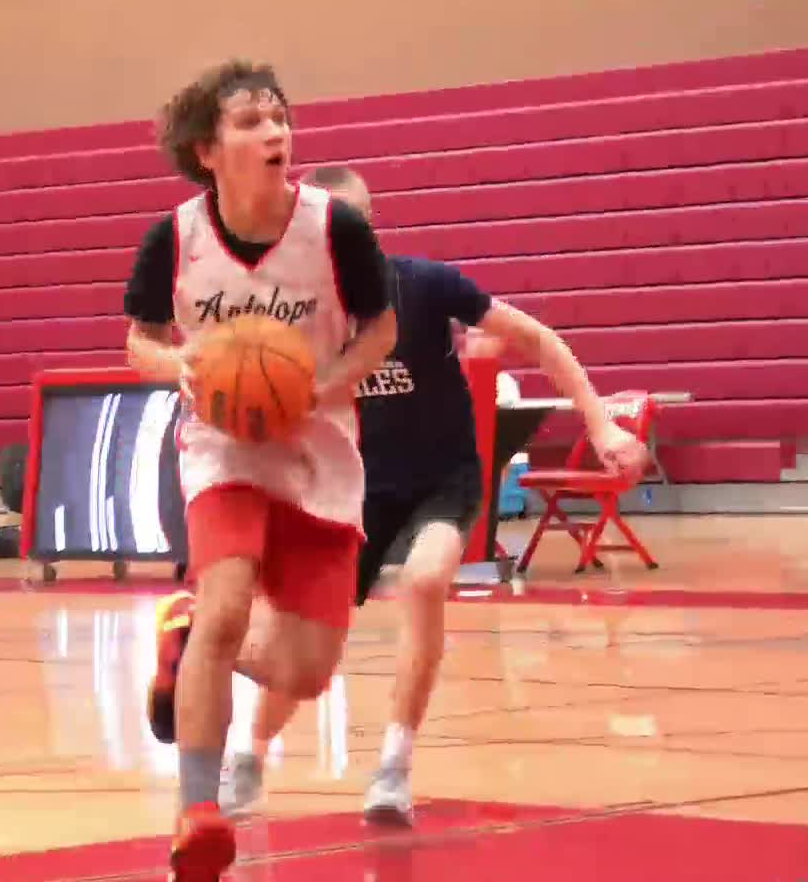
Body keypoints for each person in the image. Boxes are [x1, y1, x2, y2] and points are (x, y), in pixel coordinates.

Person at [216, 164, 647, 823]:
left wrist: (600, 423)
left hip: (444, 480)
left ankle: (393, 767)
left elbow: (537, 339)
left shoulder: (423, 286)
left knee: (422, 581)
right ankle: (247, 756)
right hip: (357, 488)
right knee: (304, 644)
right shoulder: (301, 318)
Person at [122, 60, 397, 880]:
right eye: (250, 122)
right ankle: (198, 814)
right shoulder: (173, 239)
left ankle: (181, 633)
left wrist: (319, 384)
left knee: (306, 671)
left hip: (317, 445)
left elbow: (381, 331)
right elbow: (138, 341)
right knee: (228, 605)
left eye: (279, 117)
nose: (275, 131)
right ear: (206, 150)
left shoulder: (336, 229)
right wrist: (178, 366)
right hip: (222, 445)